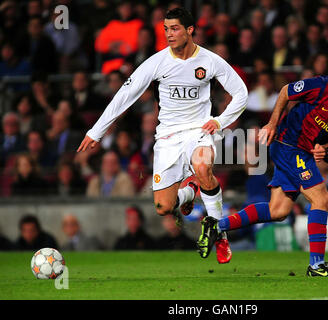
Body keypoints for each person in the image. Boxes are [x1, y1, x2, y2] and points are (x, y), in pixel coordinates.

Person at [77, 8, 248, 264]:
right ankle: (190, 191)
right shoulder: (157, 62)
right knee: (164, 208)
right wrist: (97, 131)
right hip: (167, 136)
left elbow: (241, 93)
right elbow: (125, 95)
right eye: (166, 29)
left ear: (190, 30)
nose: (169, 34)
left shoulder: (210, 61)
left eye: (175, 28)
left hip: (199, 130)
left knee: (203, 166)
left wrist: (219, 121)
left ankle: (220, 234)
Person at [197, 61, 328, 277]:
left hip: (303, 152)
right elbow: (287, 91)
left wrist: (325, 148)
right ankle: (316, 265)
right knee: (321, 199)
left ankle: (217, 226)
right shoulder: (326, 87)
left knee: (278, 211)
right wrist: (272, 124)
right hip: (289, 144)